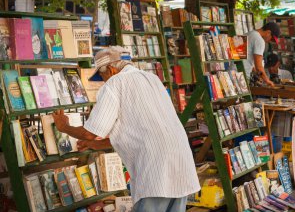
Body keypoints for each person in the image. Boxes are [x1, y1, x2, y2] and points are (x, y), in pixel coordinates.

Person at [52, 47, 200, 212]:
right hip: (180, 159)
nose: (103, 81)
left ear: (110, 69)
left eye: (102, 76)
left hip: (156, 167)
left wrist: (63, 126)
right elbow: (140, 131)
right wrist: (97, 145)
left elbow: (89, 133)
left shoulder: (115, 83)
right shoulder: (152, 78)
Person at [244, 22, 281, 87]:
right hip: (243, 77)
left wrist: (260, 76)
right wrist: (267, 81)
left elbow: (247, 60)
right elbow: (258, 67)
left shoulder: (249, 34)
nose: (270, 41)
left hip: (235, 73)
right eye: (272, 39)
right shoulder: (259, 40)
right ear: (268, 32)